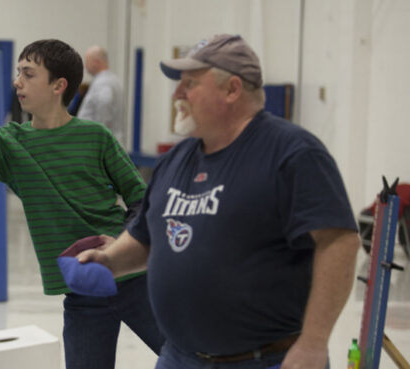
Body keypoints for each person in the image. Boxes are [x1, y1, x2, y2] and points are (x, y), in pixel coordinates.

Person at [77, 34, 361, 369]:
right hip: (180, 357)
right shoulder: (176, 158)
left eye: (190, 84)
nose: (177, 94)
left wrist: (314, 343)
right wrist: (109, 260)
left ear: (232, 89)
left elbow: (340, 243)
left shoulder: (292, 154)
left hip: (265, 360)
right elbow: (147, 235)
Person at [0, 39, 164, 369]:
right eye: (18, 73)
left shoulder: (95, 136)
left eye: (28, 74)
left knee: (188, 359)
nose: (17, 82)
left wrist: (122, 245)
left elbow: (142, 201)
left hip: (134, 282)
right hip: (82, 293)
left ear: (58, 85)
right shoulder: (9, 143)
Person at [76, 46, 125, 146]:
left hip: (100, 145)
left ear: (96, 62)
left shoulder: (103, 82)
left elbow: (105, 103)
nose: (85, 66)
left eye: (87, 61)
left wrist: (100, 137)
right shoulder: (113, 80)